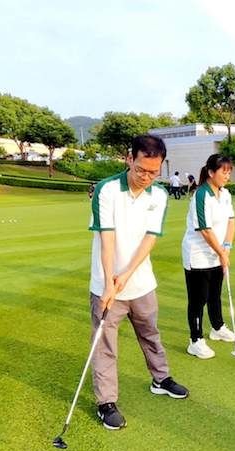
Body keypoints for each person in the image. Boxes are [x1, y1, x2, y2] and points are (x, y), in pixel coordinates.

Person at [88, 134, 188, 431]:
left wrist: (128, 273)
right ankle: (106, 402)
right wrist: (109, 283)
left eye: (154, 172)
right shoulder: (106, 190)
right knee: (105, 344)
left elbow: (149, 239)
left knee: (150, 333)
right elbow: (107, 238)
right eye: (141, 169)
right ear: (129, 159)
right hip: (105, 284)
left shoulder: (159, 195)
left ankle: (161, 378)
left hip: (141, 282)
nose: (146, 177)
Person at [181, 154, 235, 359]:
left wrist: (227, 248)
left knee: (215, 294)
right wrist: (222, 252)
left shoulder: (225, 194)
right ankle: (195, 340)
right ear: (211, 172)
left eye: (229, 171)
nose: (227, 175)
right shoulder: (201, 195)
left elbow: (231, 221)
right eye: (224, 171)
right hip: (198, 255)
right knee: (198, 299)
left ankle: (217, 327)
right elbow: (204, 230)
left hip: (218, 252)